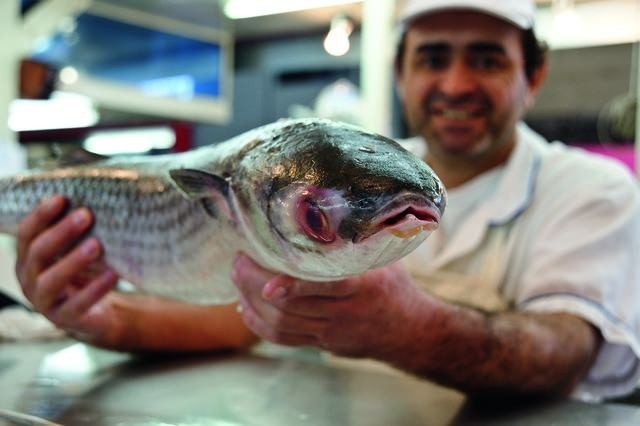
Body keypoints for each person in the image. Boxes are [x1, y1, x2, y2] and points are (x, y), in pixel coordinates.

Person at [230, 0, 640, 402]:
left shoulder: (593, 189)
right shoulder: (344, 180)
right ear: (400, 74)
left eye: (487, 61)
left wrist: (402, 326)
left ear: (532, 77)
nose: (456, 85)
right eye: (432, 59)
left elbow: (565, 351)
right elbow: (236, 302)